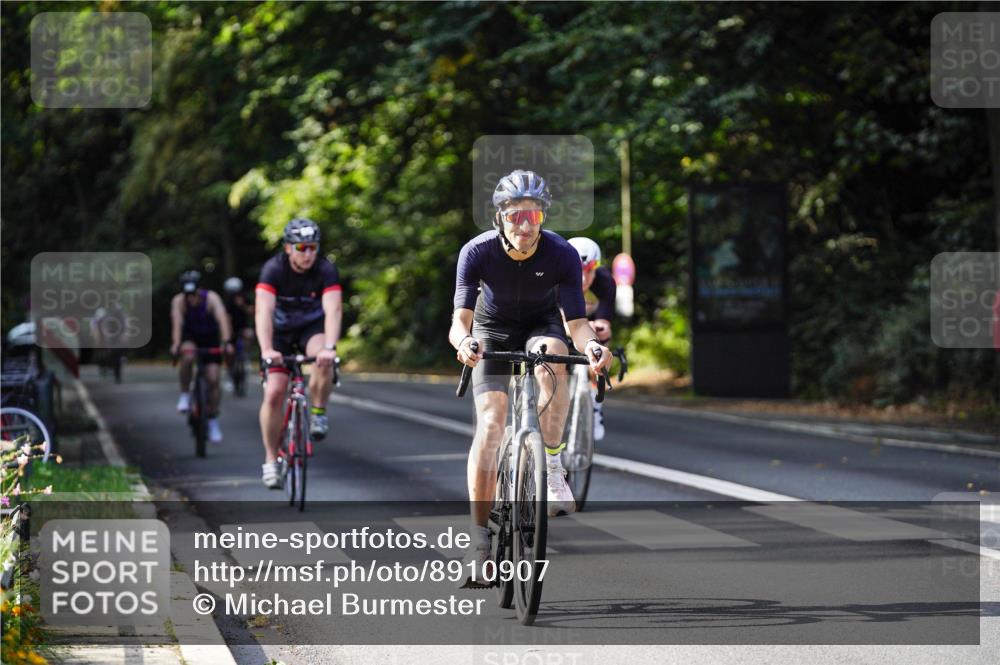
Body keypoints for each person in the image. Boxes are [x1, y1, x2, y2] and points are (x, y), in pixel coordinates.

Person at [449, 169, 611, 587]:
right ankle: (479, 539)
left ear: (544, 219)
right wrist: (465, 342)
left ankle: (551, 465)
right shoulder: (477, 251)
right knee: (491, 423)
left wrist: (592, 347)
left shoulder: (561, 254)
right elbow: (459, 320)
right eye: (516, 215)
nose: (525, 225)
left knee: (556, 356)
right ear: (500, 217)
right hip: (491, 330)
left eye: (534, 217)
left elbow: (576, 322)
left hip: (542, 326)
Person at [255, 218, 342, 490]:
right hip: (279, 334)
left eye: (313, 248)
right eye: (301, 248)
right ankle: (271, 459)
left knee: (324, 359)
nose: (308, 254)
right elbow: (263, 312)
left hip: (310, 330)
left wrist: (329, 347)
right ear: (288, 248)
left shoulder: (325, 269)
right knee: (274, 393)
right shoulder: (273, 269)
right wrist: (267, 349)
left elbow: (334, 310)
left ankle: (318, 411)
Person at [169, 270, 234, 443]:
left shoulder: (212, 298)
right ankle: (184, 393)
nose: (191, 298)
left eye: (194, 294)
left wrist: (226, 342)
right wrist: (176, 344)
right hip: (190, 337)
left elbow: (222, 319)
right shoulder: (178, 302)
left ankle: (212, 418)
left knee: (213, 379)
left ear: (200, 290)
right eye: (187, 295)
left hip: (209, 338)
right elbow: (177, 324)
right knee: (188, 356)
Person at [567, 237, 616, 440]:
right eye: (579, 270)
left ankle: (596, 403)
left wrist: (602, 330)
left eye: (590, 270)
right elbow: (563, 322)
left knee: (601, 346)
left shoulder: (605, 281)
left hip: (590, 324)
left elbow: (605, 320)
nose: (584, 278)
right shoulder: (557, 279)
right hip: (563, 322)